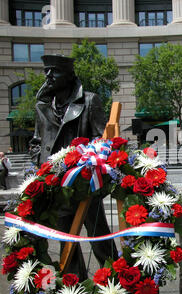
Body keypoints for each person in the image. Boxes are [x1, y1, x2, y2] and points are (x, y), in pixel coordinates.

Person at [29, 54, 118, 280]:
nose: (49, 76)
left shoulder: (89, 101)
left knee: (99, 234)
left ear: (69, 75)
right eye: (47, 71)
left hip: (84, 182)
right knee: (65, 236)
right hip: (55, 182)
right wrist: (39, 161)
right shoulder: (42, 106)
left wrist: (87, 163)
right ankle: (74, 283)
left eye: (55, 71)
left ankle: (115, 279)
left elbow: (102, 139)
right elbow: (37, 141)